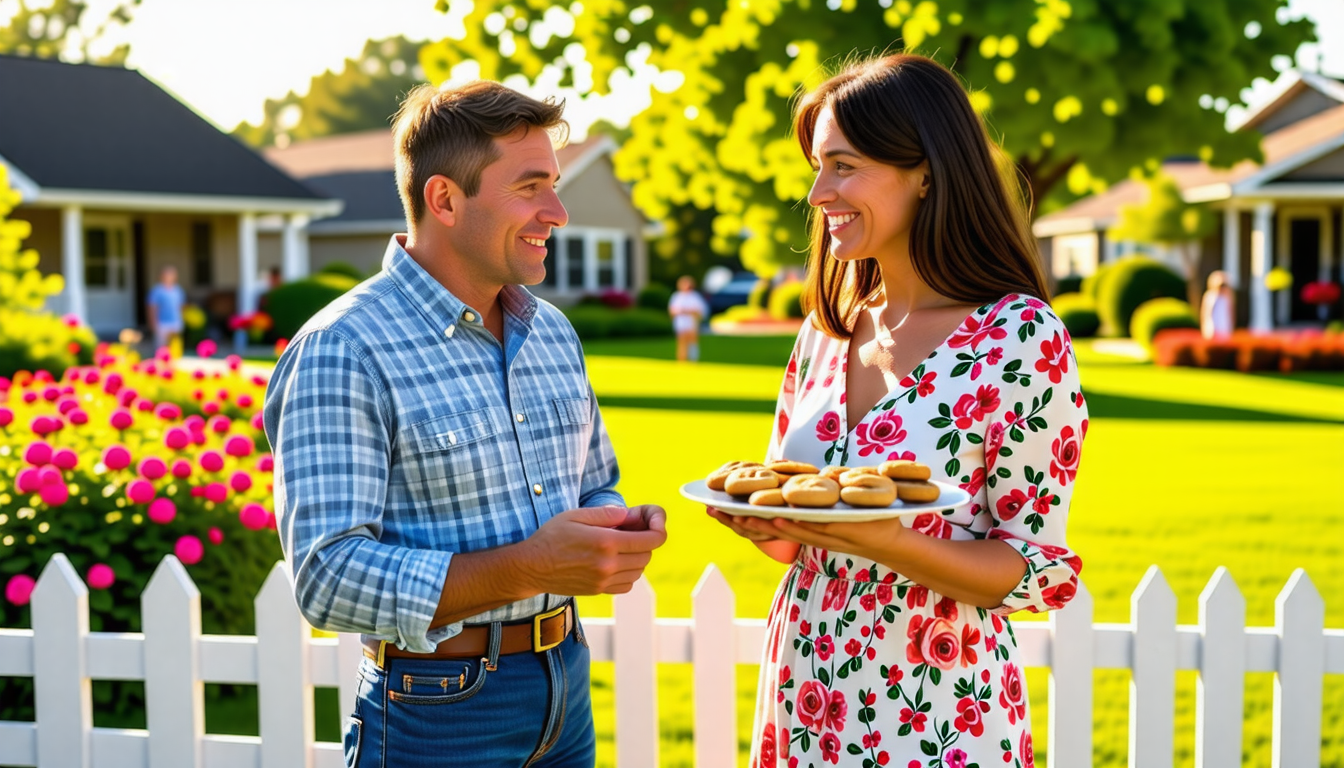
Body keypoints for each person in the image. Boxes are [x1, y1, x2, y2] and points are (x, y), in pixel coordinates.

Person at [263, 80, 667, 768]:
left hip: (563, 684)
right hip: (436, 708)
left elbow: (596, 482)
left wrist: (611, 528)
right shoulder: (343, 348)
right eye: (530, 187)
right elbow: (327, 577)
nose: (558, 212)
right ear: (444, 199)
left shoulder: (551, 332)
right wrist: (525, 568)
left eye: (555, 185)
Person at [707, 54, 1087, 768]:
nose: (819, 193)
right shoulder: (827, 329)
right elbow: (804, 538)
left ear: (926, 172)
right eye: (817, 168)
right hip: (805, 688)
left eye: (843, 166)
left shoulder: (1020, 338)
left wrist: (892, 543)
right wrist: (766, 524)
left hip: (937, 708)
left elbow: (1036, 569)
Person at [669, 274, 710, 361]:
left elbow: (701, 310)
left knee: (693, 342)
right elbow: (672, 310)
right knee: (681, 343)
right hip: (680, 324)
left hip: (692, 324)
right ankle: (681, 360)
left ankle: (693, 360)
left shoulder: (695, 297)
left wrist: (688, 312)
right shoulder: (676, 296)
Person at [146, 265, 186, 351]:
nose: (169, 277)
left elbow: (181, 307)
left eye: (171, 275)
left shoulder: (178, 290)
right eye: (167, 275)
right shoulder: (156, 290)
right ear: (162, 276)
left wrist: (181, 320)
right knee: (161, 347)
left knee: (175, 346)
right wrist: (152, 322)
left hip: (175, 322)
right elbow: (152, 308)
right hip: (162, 323)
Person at [1200, 270, 1235, 339]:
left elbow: (1231, 313)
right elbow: (1205, 313)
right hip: (1212, 329)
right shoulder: (1210, 296)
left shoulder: (1227, 298)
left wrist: (1231, 328)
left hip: (1224, 328)